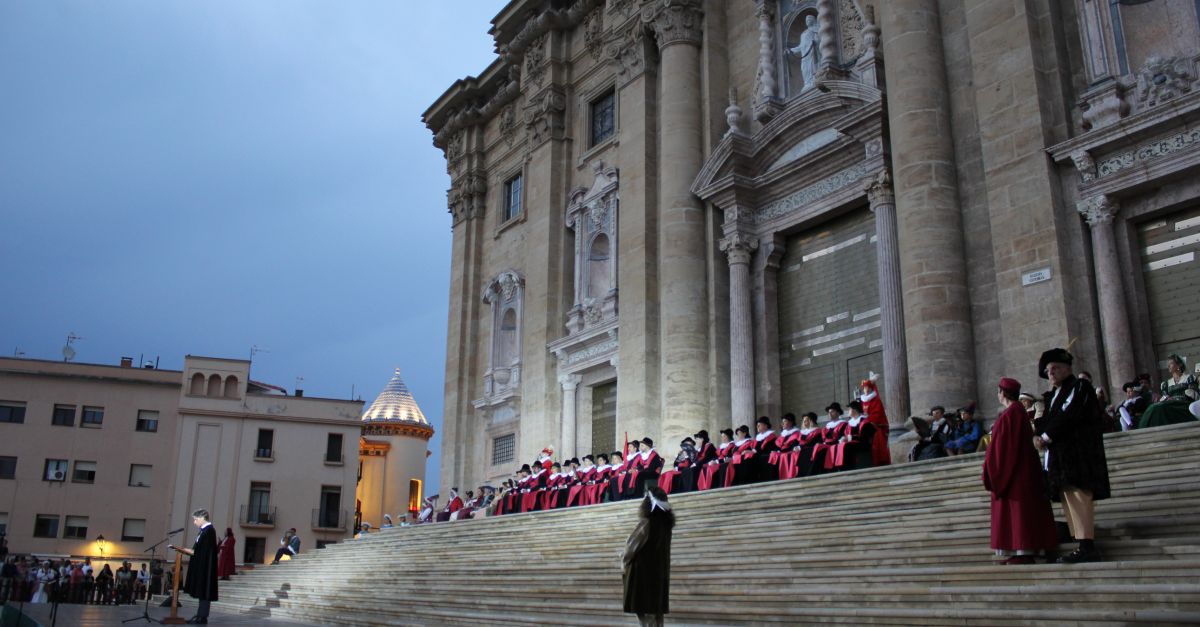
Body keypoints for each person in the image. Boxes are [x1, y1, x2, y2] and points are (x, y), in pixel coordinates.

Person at [1034, 348, 1111, 563]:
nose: (1051, 373)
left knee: (1078, 494)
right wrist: (1037, 434)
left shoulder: (1079, 386)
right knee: (1068, 495)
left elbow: (1069, 414)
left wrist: (1045, 436)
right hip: (1060, 455)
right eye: (1048, 370)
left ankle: (1087, 545)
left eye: (1056, 368)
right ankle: (1079, 540)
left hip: (1078, 452)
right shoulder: (1052, 395)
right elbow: (1047, 419)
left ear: (1068, 368)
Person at [983, 377, 1058, 564]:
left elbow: (1004, 449)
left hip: (1015, 473)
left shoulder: (1011, 414)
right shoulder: (1017, 413)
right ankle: (1019, 552)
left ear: (1002, 393)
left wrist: (993, 471)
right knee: (1019, 513)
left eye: (998, 391)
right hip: (1020, 470)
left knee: (1020, 513)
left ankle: (1024, 552)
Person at [622, 486, 674, 627]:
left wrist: (624, 564)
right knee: (657, 617)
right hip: (659, 576)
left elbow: (629, 549)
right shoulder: (666, 525)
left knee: (646, 619)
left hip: (643, 577)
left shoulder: (646, 523)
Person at [169, 508, 218, 624]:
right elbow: (199, 548)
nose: (194, 522)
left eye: (195, 519)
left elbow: (206, 551)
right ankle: (200, 615)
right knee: (202, 591)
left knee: (205, 591)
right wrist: (186, 550)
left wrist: (192, 551)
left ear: (202, 518)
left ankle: (202, 616)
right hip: (201, 565)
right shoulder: (203, 531)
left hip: (205, 567)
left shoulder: (209, 531)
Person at [1139, 354, 1199, 428]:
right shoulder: (1165, 384)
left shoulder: (1189, 378)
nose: (1168, 366)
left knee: (1161, 408)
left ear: (1178, 365)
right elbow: (1164, 397)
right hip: (1169, 404)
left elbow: (1194, 396)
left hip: (1183, 406)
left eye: (1171, 363)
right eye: (1168, 364)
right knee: (1154, 407)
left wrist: (1181, 396)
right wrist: (1167, 399)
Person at [858, 375, 892, 466]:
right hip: (863, 426)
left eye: (867, 387)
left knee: (877, 442)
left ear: (871, 388)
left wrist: (867, 419)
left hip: (874, 427)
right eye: (864, 388)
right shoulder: (861, 401)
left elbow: (877, 414)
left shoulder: (876, 400)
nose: (866, 389)